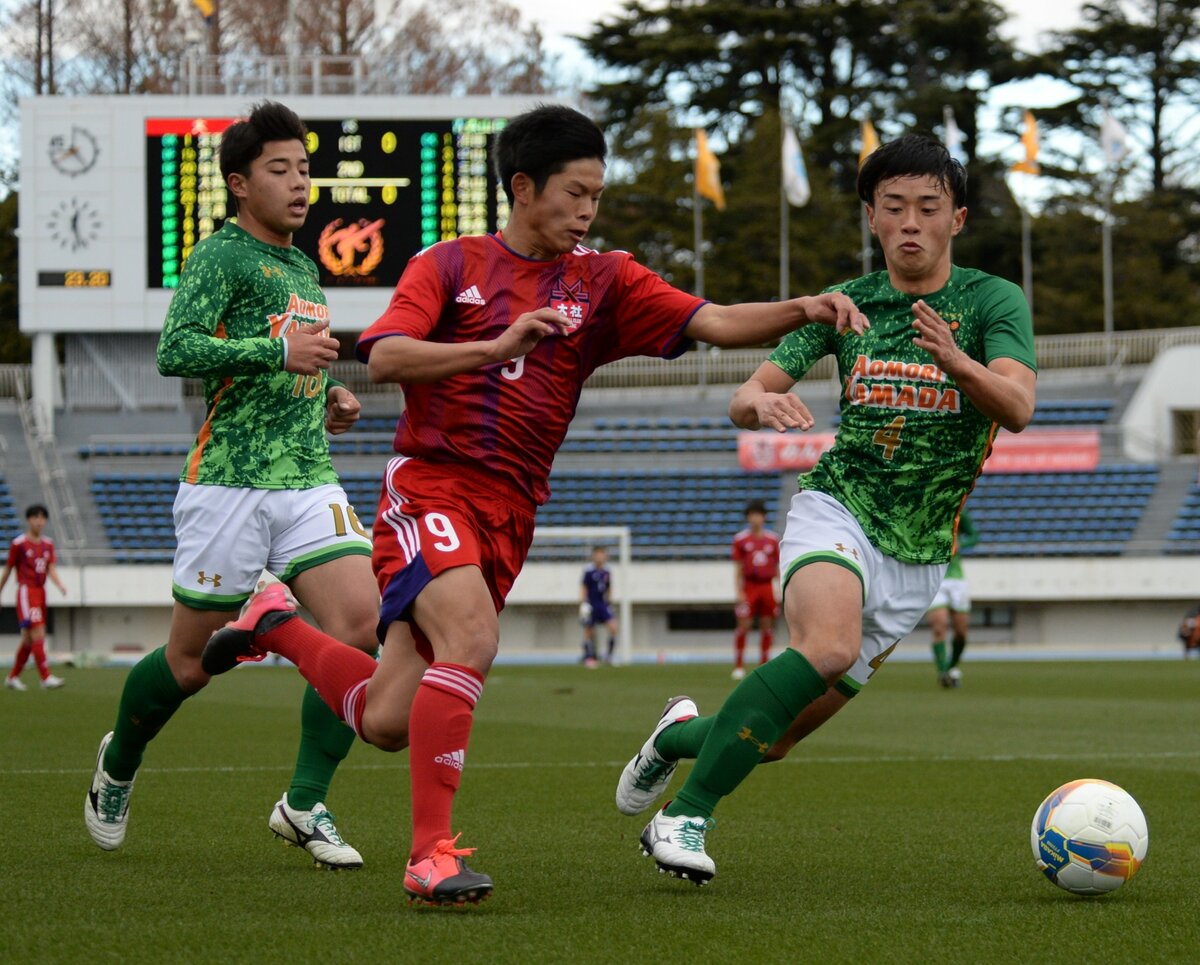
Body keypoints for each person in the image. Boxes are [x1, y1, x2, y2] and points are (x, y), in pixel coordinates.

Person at [199, 103, 868, 907]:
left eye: (596, 195)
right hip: (432, 484)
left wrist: (804, 308)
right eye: (575, 193)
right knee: (473, 637)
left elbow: (715, 320)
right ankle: (430, 856)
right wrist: (494, 345)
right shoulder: (449, 264)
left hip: (511, 512)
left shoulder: (605, 279)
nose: (588, 211)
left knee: (384, 721)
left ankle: (272, 622)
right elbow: (385, 358)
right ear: (523, 187)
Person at [614, 132, 1037, 886]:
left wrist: (957, 361)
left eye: (928, 207)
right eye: (894, 206)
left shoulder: (991, 300)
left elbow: (1019, 406)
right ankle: (686, 814)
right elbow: (748, 393)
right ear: (871, 217)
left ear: (958, 219)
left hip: (919, 555)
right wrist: (759, 404)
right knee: (829, 648)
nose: (910, 222)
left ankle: (675, 737)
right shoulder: (846, 303)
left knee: (772, 739)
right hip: (837, 508)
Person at [83, 101, 379, 870]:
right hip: (228, 483)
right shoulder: (220, 255)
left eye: (305, 169)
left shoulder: (305, 267)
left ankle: (304, 801)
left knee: (361, 626)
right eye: (281, 170)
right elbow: (176, 349)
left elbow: (293, 358)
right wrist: (278, 355)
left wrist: (329, 394)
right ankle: (120, 759)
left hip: (306, 477)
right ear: (240, 183)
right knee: (189, 663)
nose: (300, 183)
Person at [2, 505, 68, 690]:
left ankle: (12, 677)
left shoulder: (48, 544)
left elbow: (50, 568)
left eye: (42, 517)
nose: (39, 521)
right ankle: (45, 678)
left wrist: (60, 585)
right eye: (35, 517)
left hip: (41, 592)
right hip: (26, 591)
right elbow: (8, 569)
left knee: (29, 639)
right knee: (38, 632)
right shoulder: (19, 544)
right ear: (28, 520)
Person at [928, 507, 978, 687]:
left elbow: (974, 536)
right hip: (935, 577)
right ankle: (943, 672)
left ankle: (951, 667)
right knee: (939, 626)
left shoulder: (958, 511)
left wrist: (961, 544)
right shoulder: (928, 510)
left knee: (961, 633)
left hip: (956, 579)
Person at [730, 499, 780, 679]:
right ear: (748, 517)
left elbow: (777, 566)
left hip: (766, 585)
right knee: (744, 624)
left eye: (758, 515)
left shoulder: (773, 540)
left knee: (767, 624)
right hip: (749, 585)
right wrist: (739, 590)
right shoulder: (740, 539)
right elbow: (738, 567)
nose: (755, 518)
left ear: (764, 517)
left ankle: (763, 664)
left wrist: (778, 588)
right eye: (752, 515)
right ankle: (738, 665)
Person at [580, 546, 618, 666]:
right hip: (591, 604)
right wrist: (584, 603)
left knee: (613, 627)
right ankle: (589, 657)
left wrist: (609, 602)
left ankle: (609, 656)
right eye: (598, 555)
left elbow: (609, 587)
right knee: (589, 630)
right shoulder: (589, 571)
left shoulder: (607, 572)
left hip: (602, 604)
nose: (600, 557)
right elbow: (584, 587)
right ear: (593, 556)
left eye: (602, 555)